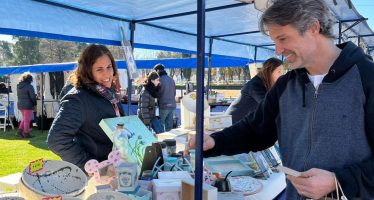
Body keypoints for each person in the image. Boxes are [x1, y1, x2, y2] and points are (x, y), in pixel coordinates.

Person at [186, 0, 374, 199]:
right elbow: (255, 130)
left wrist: (338, 180)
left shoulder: (366, 78)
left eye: (283, 39)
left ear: (313, 27)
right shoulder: (285, 86)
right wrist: (214, 141)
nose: (278, 50)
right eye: (275, 41)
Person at [47, 44, 125, 170]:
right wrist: (91, 166)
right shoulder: (78, 99)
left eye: (109, 67)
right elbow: (57, 140)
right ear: (88, 71)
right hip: (99, 177)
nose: (107, 74)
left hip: (118, 169)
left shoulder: (110, 95)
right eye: (99, 69)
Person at [225, 57, 283, 123]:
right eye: (279, 71)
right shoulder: (255, 85)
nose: (282, 75)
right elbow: (268, 104)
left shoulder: (265, 83)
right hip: (233, 123)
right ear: (269, 71)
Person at [153, 64, 176, 131]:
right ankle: (169, 140)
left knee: (160, 127)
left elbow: (157, 93)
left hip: (163, 105)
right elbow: (174, 93)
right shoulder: (171, 79)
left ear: (157, 70)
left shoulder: (159, 80)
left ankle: (162, 140)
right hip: (171, 105)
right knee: (169, 128)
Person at [16, 72, 37, 138]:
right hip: (27, 105)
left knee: (25, 119)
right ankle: (26, 134)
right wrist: (35, 104)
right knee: (27, 120)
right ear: (30, 79)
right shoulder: (29, 86)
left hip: (20, 104)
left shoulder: (18, 86)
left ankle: (19, 132)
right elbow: (33, 97)